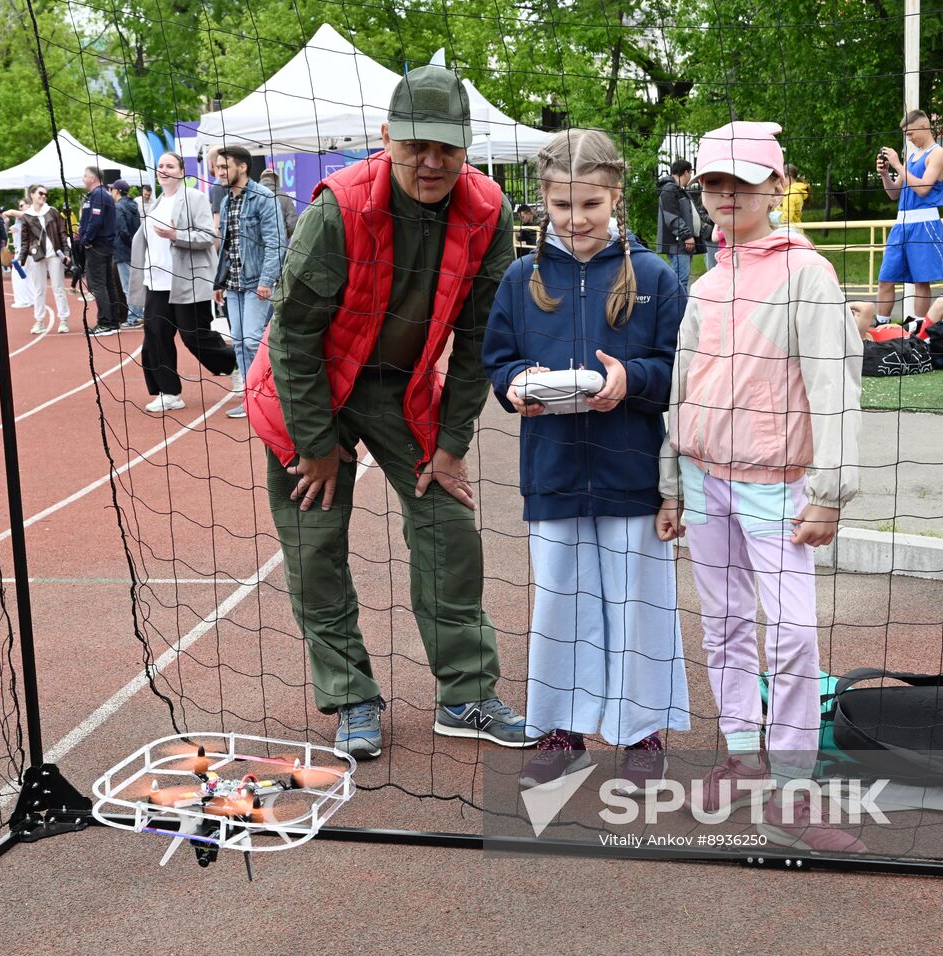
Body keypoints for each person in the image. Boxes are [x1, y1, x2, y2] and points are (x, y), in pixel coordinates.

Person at [245, 64, 530, 759]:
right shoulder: (337, 208)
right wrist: (314, 442)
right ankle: (350, 696)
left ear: (466, 147)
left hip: (402, 389)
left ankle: (465, 693)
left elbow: (478, 342)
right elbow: (292, 335)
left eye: (447, 147)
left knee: (449, 524)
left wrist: (453, 443)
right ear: (387, 137)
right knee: (315, 544)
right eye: (415, 144)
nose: (431, 161)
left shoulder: (488, 212)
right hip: (312, 387)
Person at [656, 120, 865, 853]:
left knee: (797, 635)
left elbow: (835, 385)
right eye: (713, 181)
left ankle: (794, 787)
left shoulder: (807, 273)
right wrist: (673, 483)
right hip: (705, 482)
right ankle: (744, 754)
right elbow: (683, 389)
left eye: (741, 182)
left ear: (777, 187)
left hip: (778, 487)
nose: (724, 195)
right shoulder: (707, 283)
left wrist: (832, 490)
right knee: (725, 625)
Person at [483, 128, 690, 793]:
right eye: (564, 206)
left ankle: (640, 730)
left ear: (616, 198)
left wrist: (631, 379)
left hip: (632, 473)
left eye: (590, 206)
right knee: (561, 604)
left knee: (638, 605)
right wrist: (516, 386)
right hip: (554, 474)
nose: (576, 220)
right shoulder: (522, 278)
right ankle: (562, 728)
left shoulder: (654, 277)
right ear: (544, 201)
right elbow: (500, 359)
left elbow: (678, 372)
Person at [128, 150, 236, 413]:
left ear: (180, 171)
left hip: (187, 280)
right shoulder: (155, 203)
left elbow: (207, 237)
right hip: (157, 283)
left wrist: (176, 234)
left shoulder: (194, 197)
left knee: (194, 336)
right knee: (155, 336)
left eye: (170, 165)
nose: (164, 169)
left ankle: (236, 365)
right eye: (160, 165)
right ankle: (169, 392)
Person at [213, 144, 285, 418]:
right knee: (240, 343)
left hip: (257, 283)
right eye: (218, 167)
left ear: (242, 167)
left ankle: (269, 395)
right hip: (233, 285)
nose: (219, 172)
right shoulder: (225, 199)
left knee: (254, 339)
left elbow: (276, 242)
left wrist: (267, 280)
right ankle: (251, 399)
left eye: (224, 167)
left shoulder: (264, 198)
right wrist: (218, 282)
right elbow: (227, 246)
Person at [875, 109, 943, 323]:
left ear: (924, 127)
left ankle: (917, 327)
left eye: (910, 133)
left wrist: (898, 165)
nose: (908, 138)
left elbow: (924, 188)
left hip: (925, 223)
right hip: (902, 224)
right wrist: (885, 174)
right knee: (885, 278)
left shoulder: (938, 153)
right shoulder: (912, 155)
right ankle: (881, 324)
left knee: (920, 281)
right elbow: (894, 193)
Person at [10, 184, 72, 334]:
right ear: (32, 195)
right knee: (39, 289)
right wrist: (21, 259)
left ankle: (63, 320)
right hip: (37, 255)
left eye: (45, 194)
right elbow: (25, 240)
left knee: (58, 288)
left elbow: (62, 232)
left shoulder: (52, 212)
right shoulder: (27, 216)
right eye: (40, 193)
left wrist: (66, 252)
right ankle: (39, 321)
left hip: (54, 255)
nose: (43, 196)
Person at [79, 165, 121, 336]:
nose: (83, 178)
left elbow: (95, 221)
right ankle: (113, 321)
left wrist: (87, 240)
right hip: (105, 245)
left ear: (93, 178)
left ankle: (105, 322)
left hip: (98, 245)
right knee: (108, 283)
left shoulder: (98, 195)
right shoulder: (103, 195)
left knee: (99, 284)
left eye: (85, 175)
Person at [656, 159, 700, 293]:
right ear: (686, 172)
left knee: (681, 280)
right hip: (678, 243)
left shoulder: (677, 189)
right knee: (680, 281)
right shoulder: (669, 189)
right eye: (691, 173)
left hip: (682, 243)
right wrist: (686, 235)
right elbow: (671, 217)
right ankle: (678, 312)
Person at [109, 179, 144, 327]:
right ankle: (139, 314)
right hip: (135, 250)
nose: (110, 192)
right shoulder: (134, 206)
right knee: (136, 283)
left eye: (112, 189)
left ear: (116, 191)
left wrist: (129, 245)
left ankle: (133, 317)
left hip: (124, 251)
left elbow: (122, 231)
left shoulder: (118, 208)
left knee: (128, 286)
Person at [258, 168, 299, 243]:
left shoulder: (253, 195)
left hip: (258, 246)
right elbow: (292, 225)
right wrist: (284, 235)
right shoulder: (285, 197)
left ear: (261, 179)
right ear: (277, 180)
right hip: (280, 244)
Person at [778, 163, 809, 229]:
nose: (781, 182)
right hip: (797, 229)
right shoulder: (797, 191)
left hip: (789, 231)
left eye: (782, 179)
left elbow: (787, 216)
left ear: (788, 177)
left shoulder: (790, 193)